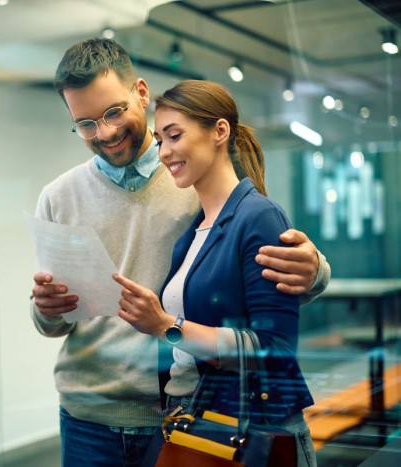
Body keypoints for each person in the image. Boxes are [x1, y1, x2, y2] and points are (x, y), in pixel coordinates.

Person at [30, 39, 329, 466]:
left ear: (142, 93)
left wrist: (315, 268)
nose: (107, 132)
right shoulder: (58, 197)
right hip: (88, 418)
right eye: (86, 124)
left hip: (188, 409)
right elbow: (49, 323)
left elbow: (272, 260)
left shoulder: (196, 174)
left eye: (114, 112)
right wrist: (46, 308)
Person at [113, 80, 316, 466]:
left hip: (252, 427)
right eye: (159, 140)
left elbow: (274, 348)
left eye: (174, 136)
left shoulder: (258, 217)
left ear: (220, 132)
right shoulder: (193, 231)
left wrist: (165, 325)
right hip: (198, 415)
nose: (164, 152)